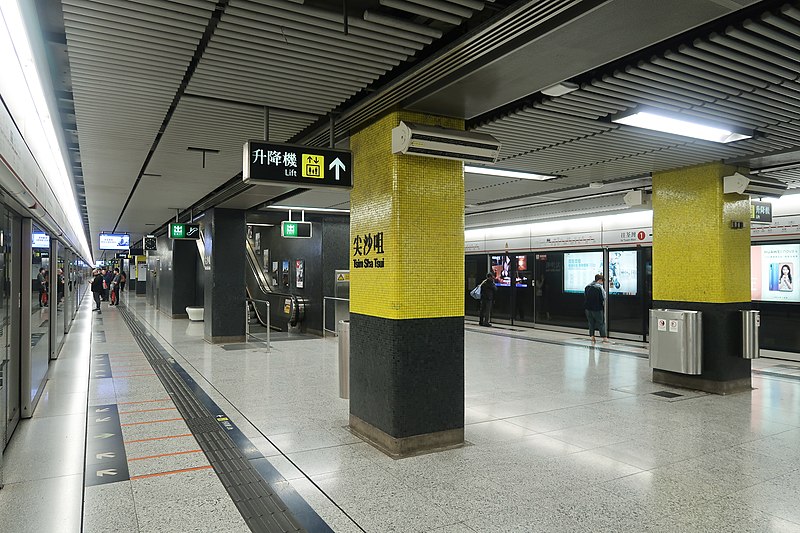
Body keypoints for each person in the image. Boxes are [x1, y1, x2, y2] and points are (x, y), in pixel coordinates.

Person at [584, 274, 608, 343]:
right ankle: (604, 337)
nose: (602, 283)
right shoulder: (599, 287)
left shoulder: (587, 287)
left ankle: (592, 337)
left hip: (588, 308)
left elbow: (585, 296)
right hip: (597, 308)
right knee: (601, 322)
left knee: (591, 323)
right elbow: (603, 297)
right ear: (600, 280)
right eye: (602, 281)